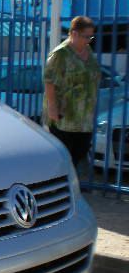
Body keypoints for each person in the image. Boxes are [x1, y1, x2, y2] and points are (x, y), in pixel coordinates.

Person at [43, 16, 101, 167]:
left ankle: (70, 186)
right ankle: (60, 188)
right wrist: (52, 106)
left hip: (85, 118)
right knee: (65, 159)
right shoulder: (61, 54)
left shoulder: (88, 51)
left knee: (80, 153)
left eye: (91, 36)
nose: (89, 40)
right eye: (86, 36)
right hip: (65, 117)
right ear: (74, 33)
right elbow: (49, 81)